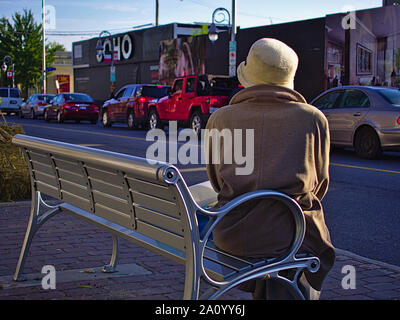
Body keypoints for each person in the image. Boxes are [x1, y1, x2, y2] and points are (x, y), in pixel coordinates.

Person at [204, 38, 335, 300]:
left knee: (265, 235)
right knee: (300, 232)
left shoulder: (220, 118)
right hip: (293, 236)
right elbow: (320, 185)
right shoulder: (313, 119)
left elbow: (217, 182)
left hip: (232, 238)